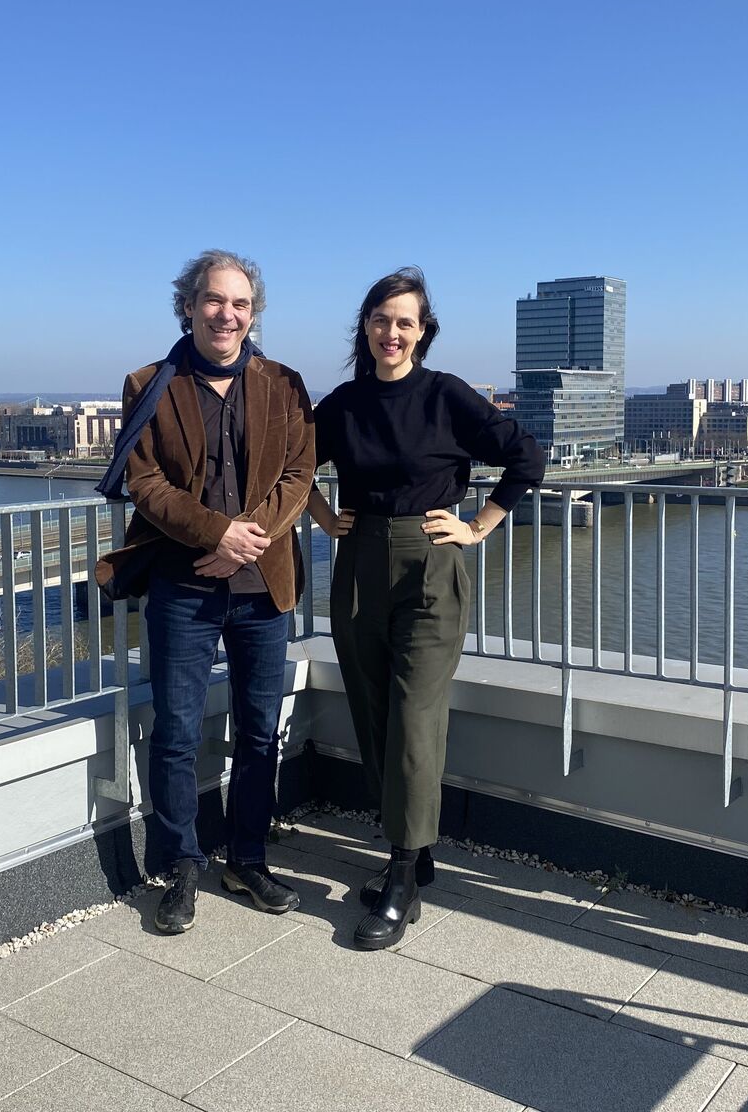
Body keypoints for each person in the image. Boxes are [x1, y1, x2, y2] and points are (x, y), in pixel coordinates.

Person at [306, 267, 544, 949]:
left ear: (423, 331)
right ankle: (418, 853)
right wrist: (323, 515)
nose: (391, 331)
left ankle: (404, 876)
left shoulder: (446, 397)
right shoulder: (344, 404)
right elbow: (292, 467)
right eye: (381, 318)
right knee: (374, 714)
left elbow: (527, 458)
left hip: (430, 567)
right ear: (366, 327)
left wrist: (479, 525)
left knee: (413, 719)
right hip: (358, 566)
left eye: (405, 321)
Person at [95, 249, 315, 934]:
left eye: (241, 304)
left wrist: (248, 540)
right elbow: (148, 483)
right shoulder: (149, 384)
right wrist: (216, 536)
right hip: (183, 585)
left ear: (254, 313)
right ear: (188, 306)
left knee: (258, 731)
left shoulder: (283, 382)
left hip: (262, 586)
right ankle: (180, 864)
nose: (228, 314)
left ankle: (247, 857)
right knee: (178, 732)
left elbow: (300, 472)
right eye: (215, 301)